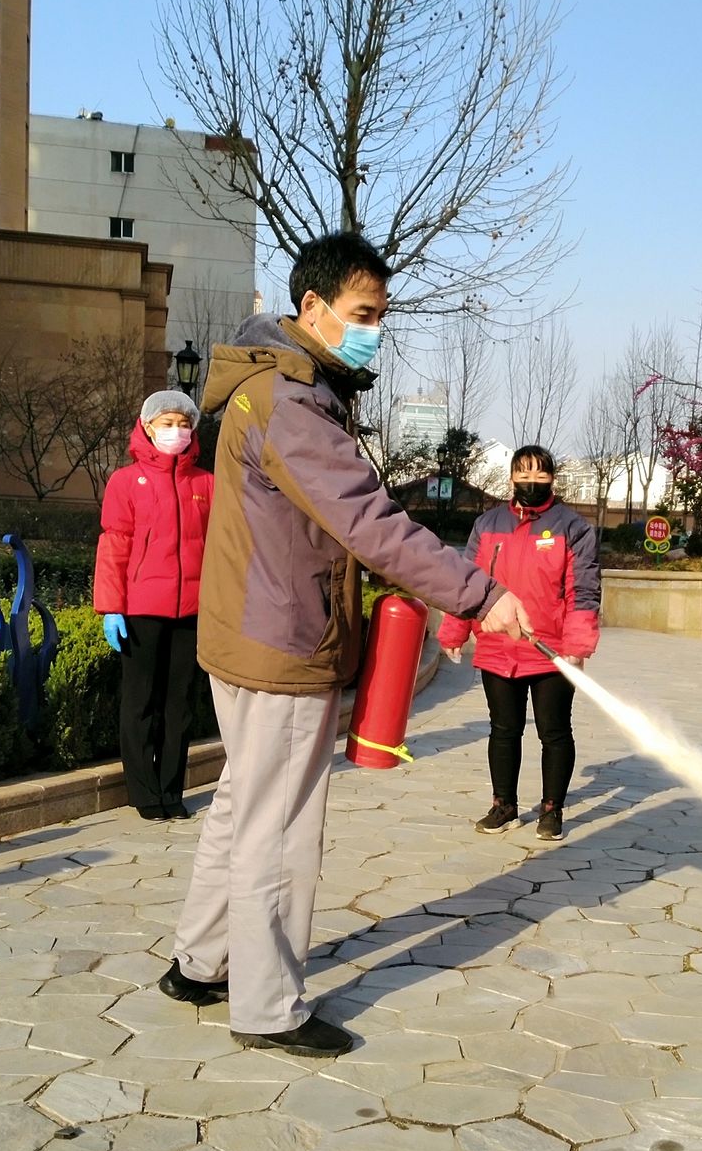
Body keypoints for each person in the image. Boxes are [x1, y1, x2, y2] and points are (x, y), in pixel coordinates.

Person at [163, 232, 534, 1058]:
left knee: (241, 801)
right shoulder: (292, 404)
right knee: (282, 824)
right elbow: (371, 522)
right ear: (312, 310)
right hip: (283, 642)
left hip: (250, 633)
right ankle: (267, 1005)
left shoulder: (269, 389)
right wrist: (481, 592)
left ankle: (201, 960)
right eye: (363, 315)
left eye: (380, 316)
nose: (373, 330)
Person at [438, 445, 600, 843]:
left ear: (552, 480)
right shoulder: (488, 524)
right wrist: (454, 631)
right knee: (503, 730)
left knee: (554, 732)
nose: (531, 481)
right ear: (511, 478)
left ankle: (551, 808)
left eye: (540, 475)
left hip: (551, 651)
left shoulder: (573, 528)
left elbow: (583, 589)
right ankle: (504, 805)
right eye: (523, 474)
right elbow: (467, 582)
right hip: (498, 648)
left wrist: (577, 644)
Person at [93, 390, 214, 822]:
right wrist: (111, 607)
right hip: (142, 610)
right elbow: (114, 545)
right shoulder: (126, 482)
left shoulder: (206, 483)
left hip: (191, 611)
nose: (176, 431)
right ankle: (144, 792)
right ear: (146, 427)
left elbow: (220, 549)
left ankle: (171, 790)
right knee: (141, 701)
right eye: (167, 423)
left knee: (179, 704)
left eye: (184, 423)